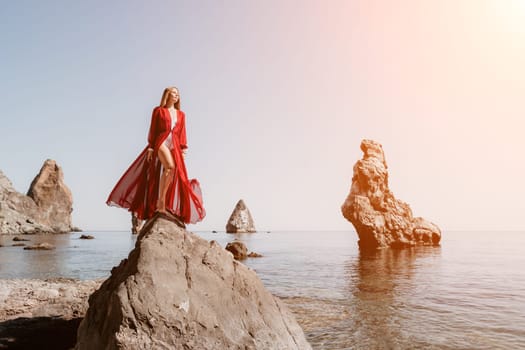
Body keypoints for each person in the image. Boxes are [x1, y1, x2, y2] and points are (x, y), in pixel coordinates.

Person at [106, 86, 206, 225]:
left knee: (174, 173)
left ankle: (163, 201)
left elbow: (182, 132)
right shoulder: (158, 111)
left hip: (175, 145)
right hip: (161, 142)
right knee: (170, 167)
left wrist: (183, 148)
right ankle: (161, 202)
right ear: (167, 95)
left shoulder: (181, 114)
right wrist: (151, 148)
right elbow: (153, 129)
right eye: (173, 93)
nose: (176, 96)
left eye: (177, 94)